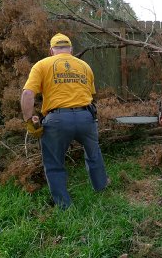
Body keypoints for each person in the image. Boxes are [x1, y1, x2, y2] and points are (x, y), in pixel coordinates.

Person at [20, 33, 109, 209]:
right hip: (86, 117)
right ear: (71, 49)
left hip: (58, 120)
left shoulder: (42, 64)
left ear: (51, 49)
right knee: (94, 153)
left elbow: (27, 94)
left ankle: (64, 205)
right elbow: (90, 95)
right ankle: (101, 187)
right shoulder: (84, 66)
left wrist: (29, 120)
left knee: (54, 162)